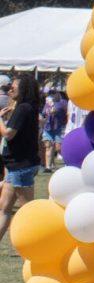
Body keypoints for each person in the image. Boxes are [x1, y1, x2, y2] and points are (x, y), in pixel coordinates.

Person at [0, 74, 42, 245]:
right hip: (17, 166)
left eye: (13, 87)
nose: (10, 89)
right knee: (4, 208)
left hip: (21, 166)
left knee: (28, 212)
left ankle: (37, 245)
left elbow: (8, 134)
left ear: (23, 89)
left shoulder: (23, 108)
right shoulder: (25, 107)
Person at [41, 88, 67, 171]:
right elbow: (44, 113)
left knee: (58, 147)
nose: (52, 95)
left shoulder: (63, 102)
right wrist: (49, 111)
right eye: (50, 94)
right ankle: (48, 167)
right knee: (48, 146)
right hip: (48, 127)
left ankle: (68, 162)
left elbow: (66, 113)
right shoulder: (47, 102)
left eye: (53, 93)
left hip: (59, 127)